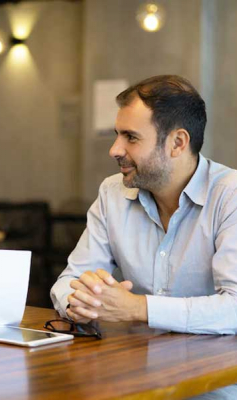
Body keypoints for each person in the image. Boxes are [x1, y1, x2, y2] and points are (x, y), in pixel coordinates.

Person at [51, 75, 237, 335]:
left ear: (177, 143)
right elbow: (69, 282)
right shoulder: (112, 193)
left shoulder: (230, 196)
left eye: (131, 137)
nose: (115, 149)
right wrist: (81, 302)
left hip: (214, 371)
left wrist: (138, 308)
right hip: (132, 364)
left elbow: (234, 308)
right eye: (117, 135)